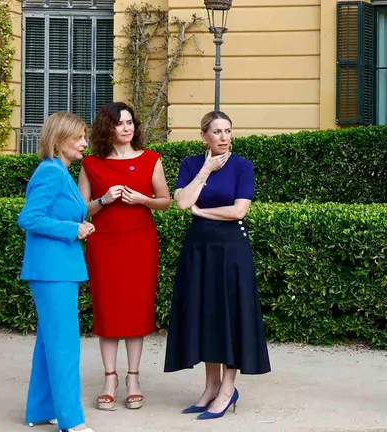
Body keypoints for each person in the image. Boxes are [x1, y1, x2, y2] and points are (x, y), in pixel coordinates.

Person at [164, 111, 271, 420]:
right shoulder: (190, 164)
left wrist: (204, 212)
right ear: (204, 137)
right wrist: (206, 170)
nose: (224, 137)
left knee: (232, 316)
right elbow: (183, 202)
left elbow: (239, 211)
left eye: (228, 131)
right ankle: (210, 388)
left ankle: (227, 389)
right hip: (199, 251)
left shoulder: (242, 166)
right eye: (217, 131)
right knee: (207, 315)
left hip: (232, 250)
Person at [78, 102, 171, 411]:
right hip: (103, 243)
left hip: (140, 243)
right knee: (107, 311)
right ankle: (109, 379)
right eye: (120, 124)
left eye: (130, 122)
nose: (127, 128)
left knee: (135, 311)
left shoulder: (150, 159)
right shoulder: (91, 164)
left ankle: (133, 378)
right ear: (108, 128)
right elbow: (80, 210)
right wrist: (103, 200)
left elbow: (165, 201)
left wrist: (145, 199)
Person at [17, 112, 96, 432]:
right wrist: (72, 229)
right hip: (52, 270)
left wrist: (80, 222)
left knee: (50, 342)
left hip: (57, 268)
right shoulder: (50, 172)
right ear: (59, 139)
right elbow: (28, 218)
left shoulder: (59, 171)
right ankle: (70, 420)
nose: (84, 143)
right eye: (78, 137)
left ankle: (41, 409)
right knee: (64, 343)